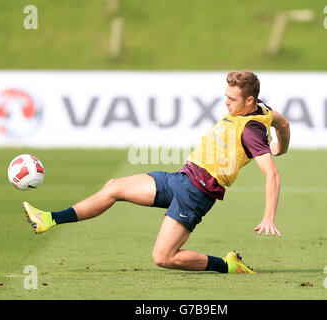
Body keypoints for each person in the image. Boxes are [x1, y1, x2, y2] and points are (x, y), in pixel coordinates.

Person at [22, 70, 290, 274]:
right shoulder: (262, 109)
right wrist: (282, 146)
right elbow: (283, 122)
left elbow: (272, 175)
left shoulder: (252, 131)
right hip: (181, 178)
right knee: (114, 186)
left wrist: (268, 216)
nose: (226, 103)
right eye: (225, 97)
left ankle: (229, 266)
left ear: (249, 100)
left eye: (232, 99)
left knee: (163, 258)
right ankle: (49, 219)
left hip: (195, 195)